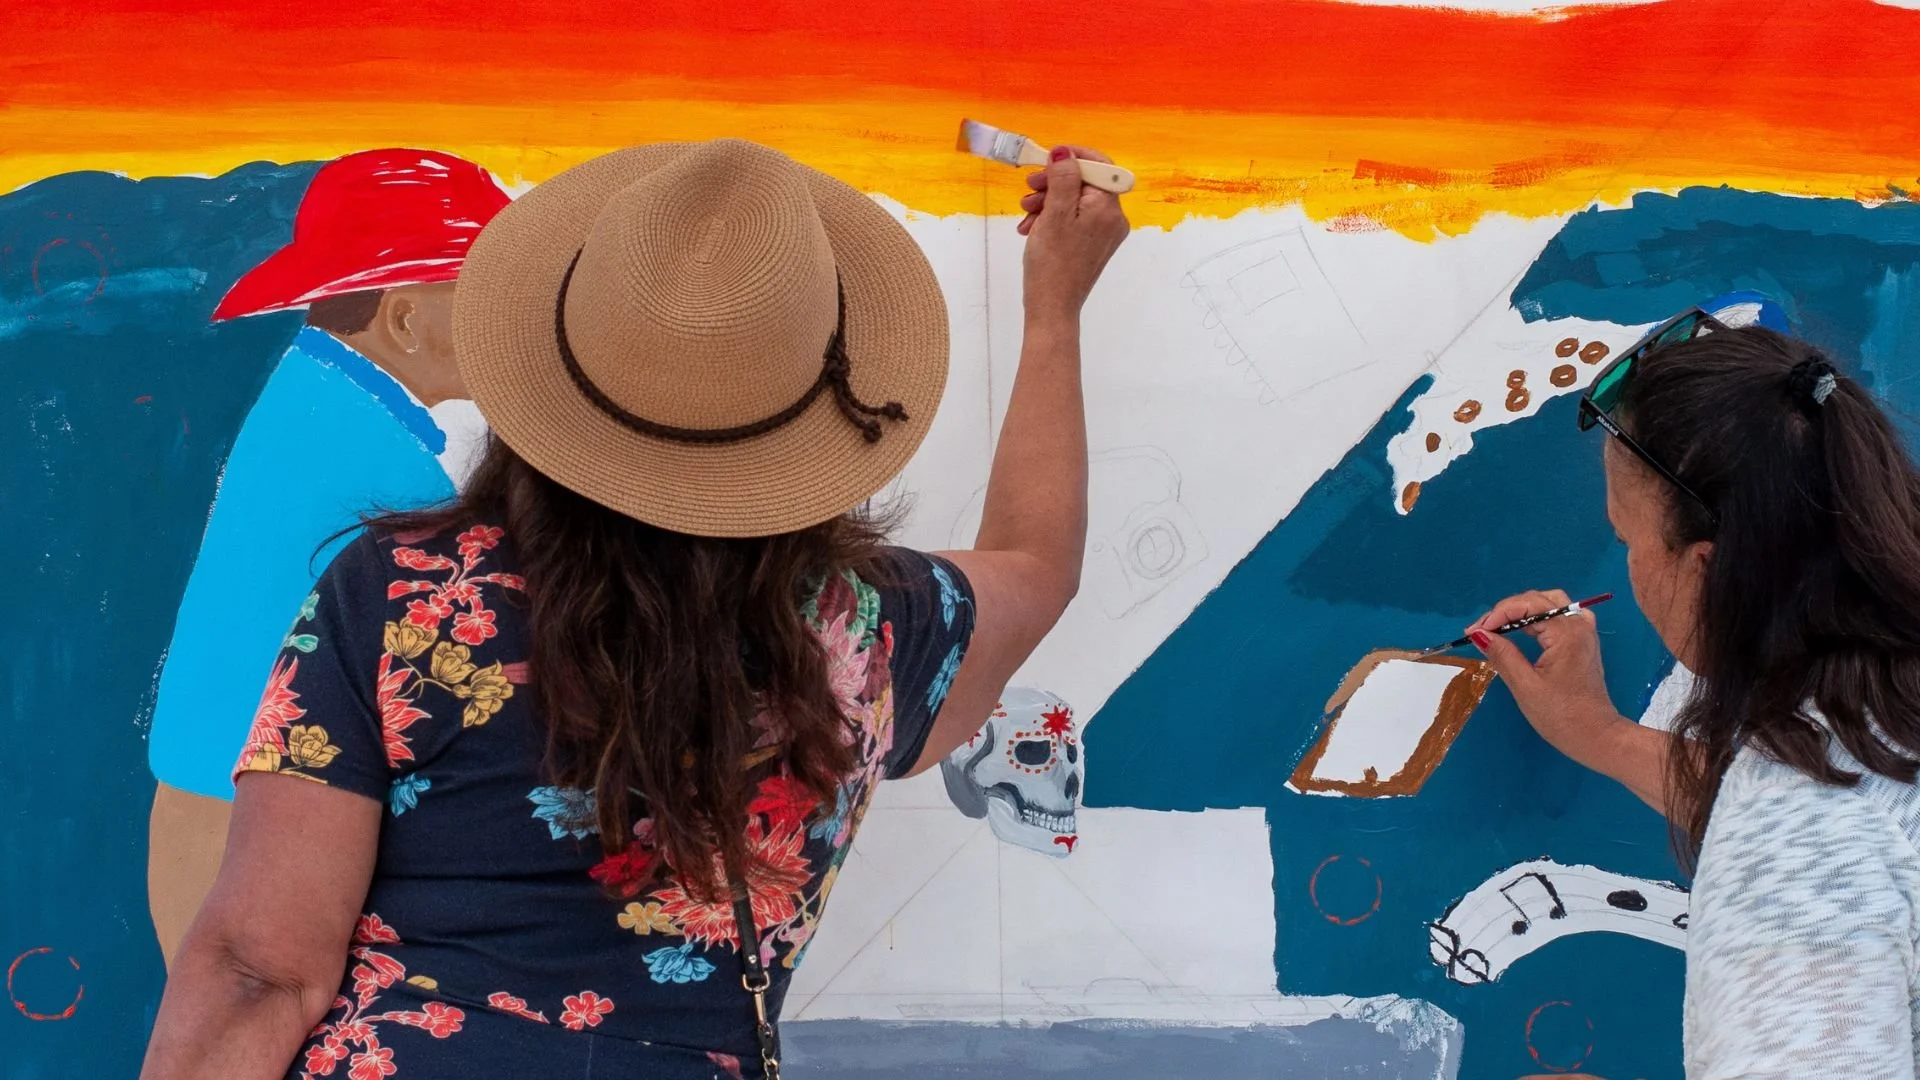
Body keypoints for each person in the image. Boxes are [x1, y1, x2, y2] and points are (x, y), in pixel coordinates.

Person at [139, 138, 1129, 1078]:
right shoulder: (870, 632)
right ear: (816, 400)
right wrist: (1056, 306)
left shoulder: (403, 597)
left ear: (550, 359)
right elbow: (1035, 563)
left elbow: (261, 971)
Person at [1464, 310, 1920, 1074]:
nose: (1629, 566)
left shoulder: (1786, 853)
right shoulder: (1885, 683)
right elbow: (1850, 797)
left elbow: (1811, 838)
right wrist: (1602, 734)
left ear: (1706, 570)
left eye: (1627, 539)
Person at [147, 149, 512, 961]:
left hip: (234, 815)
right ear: (405, 320)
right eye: (488, 297)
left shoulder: (322, 404)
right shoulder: (381, 470)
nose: (509, 325)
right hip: (268, 836)